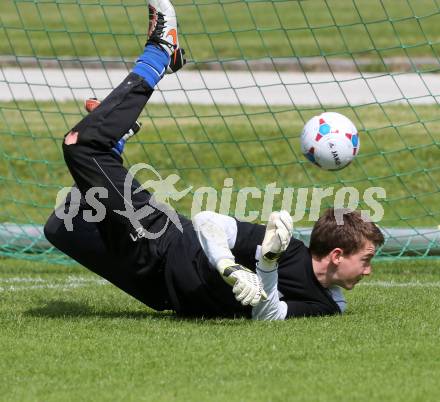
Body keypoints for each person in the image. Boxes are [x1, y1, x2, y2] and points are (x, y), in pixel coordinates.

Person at [44, 0, 385, 320]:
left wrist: (265, 266)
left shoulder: (327, 304)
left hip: (159, 289)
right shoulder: (291, 250)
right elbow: (208, 220)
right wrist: (230, 266)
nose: (369, 269)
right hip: (164, 241)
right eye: (366, 259)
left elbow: (270, 315)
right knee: (82, 146)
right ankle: (161, 51)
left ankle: (113, 140)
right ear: (337, 255)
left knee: (61, 226)